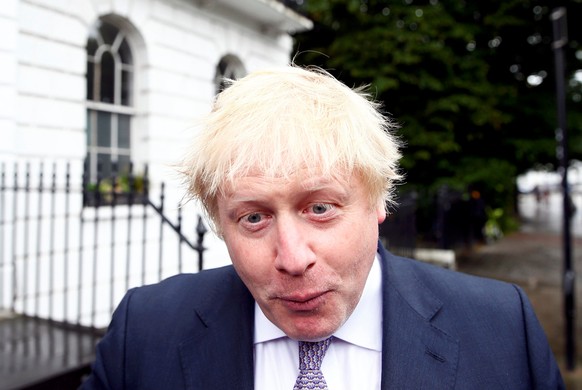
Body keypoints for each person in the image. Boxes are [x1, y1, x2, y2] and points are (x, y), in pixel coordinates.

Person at [82, 65, 564, 389]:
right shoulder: (144, 332)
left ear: (377, 201)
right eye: (254, 217)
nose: (292, 258)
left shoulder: (503, 329)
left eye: (320, 209)